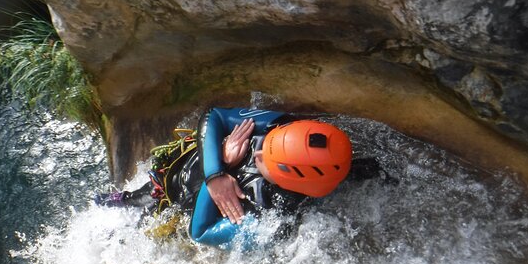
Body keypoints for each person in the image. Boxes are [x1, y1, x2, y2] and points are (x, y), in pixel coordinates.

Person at [96, 107, 355, 247]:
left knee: (127, 236)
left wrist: (216, 183)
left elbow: (200, 233)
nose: (258, 150)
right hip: (177, 174)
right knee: (128, 198)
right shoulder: (282, 126)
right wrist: (216, 171)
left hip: (176, 210)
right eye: (267, 143)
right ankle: (124, 198)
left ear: (289, 181)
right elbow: (214, 115)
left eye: (267, 158)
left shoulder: (271, 221)